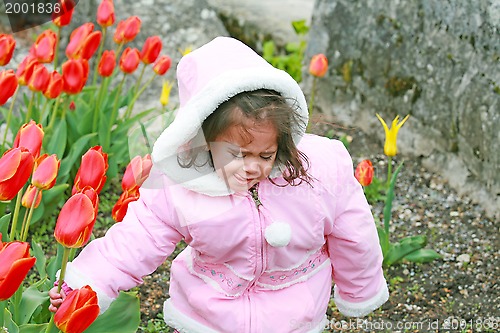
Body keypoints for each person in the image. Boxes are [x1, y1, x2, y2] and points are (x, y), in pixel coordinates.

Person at [49, 36, 388, 333]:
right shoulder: (180, 186)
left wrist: (361, 291)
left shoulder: (321, 171)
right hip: (208, 318)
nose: (252, 167)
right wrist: (82, 290)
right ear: (204, 140)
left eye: (266, 154)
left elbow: (354, 234)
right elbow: (133, 244)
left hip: (294, 317)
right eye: (237, 154)